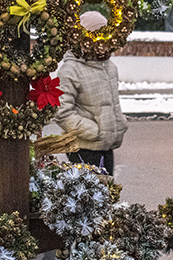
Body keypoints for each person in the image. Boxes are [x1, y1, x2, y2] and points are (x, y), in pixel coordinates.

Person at [55, 12, 128, 176]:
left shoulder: (109, 67)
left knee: (107, 189)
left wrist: (120, 124)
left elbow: (112, 104)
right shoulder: (71, 70)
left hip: (107, 146)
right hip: (83, 148)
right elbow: (61, 112)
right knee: (91, 191)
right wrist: (95, 131)